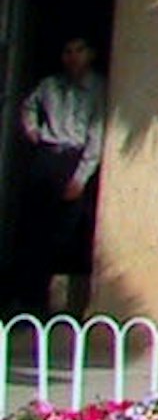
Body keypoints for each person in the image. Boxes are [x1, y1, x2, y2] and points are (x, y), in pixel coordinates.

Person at [13, 36, 105, 313]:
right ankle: (30, 298)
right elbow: (28, 105)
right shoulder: (50, 86)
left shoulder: (98, 89)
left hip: (74, 158)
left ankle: (67, 302)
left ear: (90, 55)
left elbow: (97, 134)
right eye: (68, 51)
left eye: (80, 50)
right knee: (35, 227)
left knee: (68, 230)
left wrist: (81, 176)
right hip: (48, 156)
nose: (73, 57)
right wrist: (33, 129)